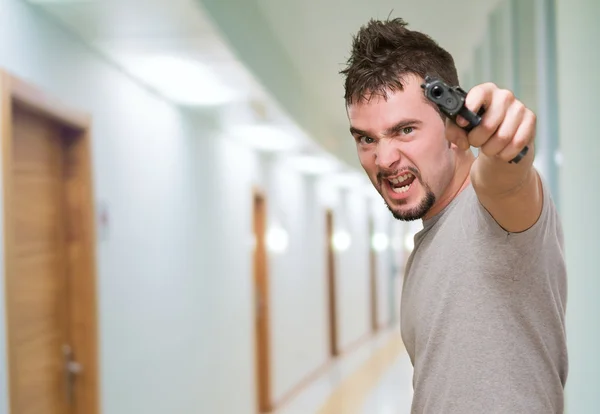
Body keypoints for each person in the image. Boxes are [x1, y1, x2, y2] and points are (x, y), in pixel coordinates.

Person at [340, 17, 568, 413]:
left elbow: (506, 178)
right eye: (367, 138)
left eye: (405, 130)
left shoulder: (492, 213)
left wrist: (507, 144)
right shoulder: (424, 250)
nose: (384, 158)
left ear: (453, 125)